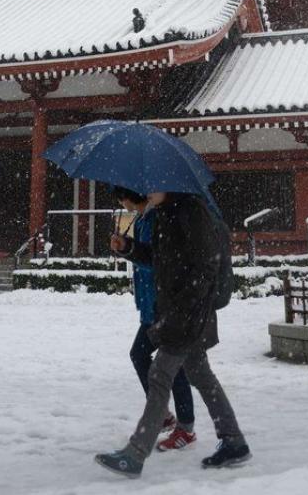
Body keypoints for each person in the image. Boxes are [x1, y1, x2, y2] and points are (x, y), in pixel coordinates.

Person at [95, 190, 250, 479]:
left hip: (186, 315)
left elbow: (206, 266)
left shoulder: (191, 212)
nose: (145, 189)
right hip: (179, 311)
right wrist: (128, 247)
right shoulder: (167, 214)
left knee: (159, 375)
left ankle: (135, 453)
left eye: (152, 184)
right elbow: (160, 259)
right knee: (201, 376)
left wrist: (184, 307)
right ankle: (234, 441)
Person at [112, 186, 197, 451]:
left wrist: (130, 250)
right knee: (145, 356)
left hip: (164, 303)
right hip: (152, 304)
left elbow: (157, 260)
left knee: (174, 365)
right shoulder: (144, 218)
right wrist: (126, 247)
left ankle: (185, 426)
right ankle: (165, 415)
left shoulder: (159, 218)